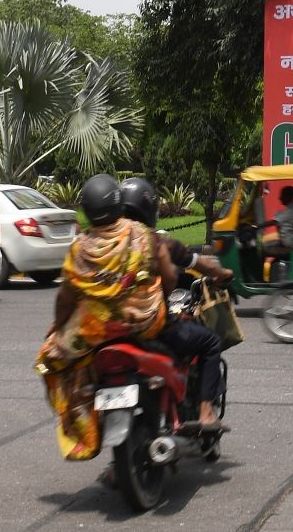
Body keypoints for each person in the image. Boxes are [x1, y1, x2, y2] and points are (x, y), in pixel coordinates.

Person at [34, 174, 177, 460]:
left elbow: (65, 297)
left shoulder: (80, 247)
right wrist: (162, 295)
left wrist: (58, 327)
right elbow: (170, 277)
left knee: (49, 359)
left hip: (96, 329)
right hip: (146, 320)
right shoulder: (143, 235)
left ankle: (84, 426)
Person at [118, 176, 231, 431]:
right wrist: (221, 274)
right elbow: (187, 268)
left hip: (108, 329)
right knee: (211, 342)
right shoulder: (155, 242)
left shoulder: (101, 242)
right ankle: (205, 412)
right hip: (148, 326)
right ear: (149, 210)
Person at [260, 185, 293, 260]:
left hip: (289, 243)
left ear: (288, 196)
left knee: (262, 248)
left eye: (282, 195)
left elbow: (273, 222)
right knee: (267, 244)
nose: (280, 198)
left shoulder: (290, 211)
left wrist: (256, 226)